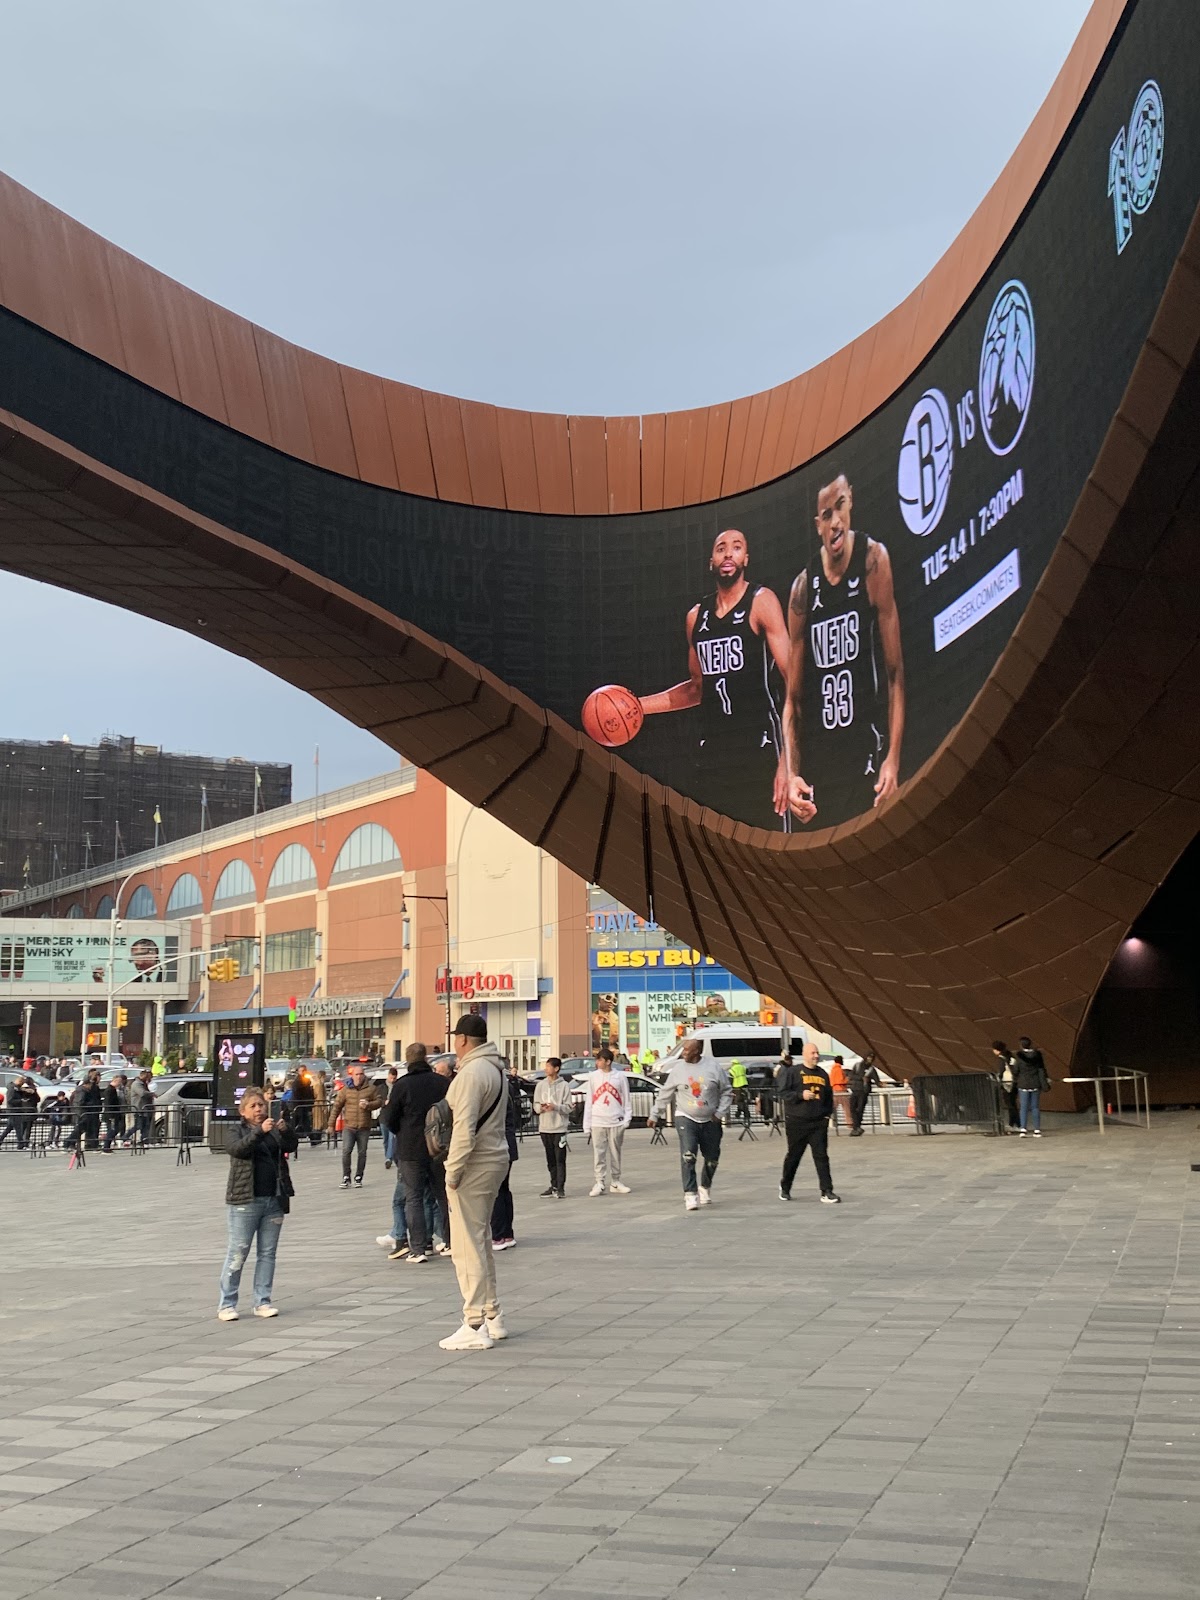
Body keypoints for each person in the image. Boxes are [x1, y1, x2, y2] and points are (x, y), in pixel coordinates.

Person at [633, 527, 792, 829]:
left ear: (746, 558)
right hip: (714, 755)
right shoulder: (697, 616)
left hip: (759, 748)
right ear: (711, 561)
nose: (728, 553)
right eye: (721, 548)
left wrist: (788, 761)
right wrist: (637, 706)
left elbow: (794, 681)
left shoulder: (761, 601)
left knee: (770, 851)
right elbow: (696, 689)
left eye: (736, 547)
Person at [784, 473, 906, 826]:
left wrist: (893, 759)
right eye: (826, 514)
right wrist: (793, 775)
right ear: (817, 524)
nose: (835, 522)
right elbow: (792, 700)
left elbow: (895, 674)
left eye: (840, 507)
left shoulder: (873, 561)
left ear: (851, 502)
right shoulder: (803, 589)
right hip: (822, 769)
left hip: (869, 753)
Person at [439, 1014, 510, 1352]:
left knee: (467, 1244)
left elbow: (463, 1130)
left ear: (464, 1040)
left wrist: (452, 1173)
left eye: (456, 1039)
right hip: (496, 1157)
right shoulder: (496, 1068)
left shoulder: (470, 1073)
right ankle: (492, 1315)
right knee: (481, 1240)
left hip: (475, 1163)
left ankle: (473, 1323)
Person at [217, 1087, 299, 1321]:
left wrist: (286, 1132)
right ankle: (227, 1303)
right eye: (253, 1106)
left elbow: (291, 1147)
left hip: (273, 1198)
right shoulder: (237, 1130)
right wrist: (259, 1133)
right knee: (238, 1252)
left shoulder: (272, 1130)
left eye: (261, 1105)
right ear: (243, 1112)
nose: (259, 1109)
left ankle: (262, 1301)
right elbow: (238, 1149)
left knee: (267, 1253)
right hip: (245, 1200)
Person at [380, 1043, 450, 1264]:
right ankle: (451, 1242)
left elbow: (389, 1117)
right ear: (426, 1059)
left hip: (411, 1148)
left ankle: (419, 1247)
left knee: (414, 1198)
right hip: (438, 1148)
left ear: (408, 1060)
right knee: (443, 1195)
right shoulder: (442, 1082)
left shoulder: (403, 1085)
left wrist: (401, 1131)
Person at [647, 1039, 732, 1211]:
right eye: (684, 1050)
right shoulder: (678, 1069)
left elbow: (727, 1091)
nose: (684, 1053)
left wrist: (720, 1113)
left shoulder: (713, 1067)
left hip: (710, 1119)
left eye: (687, 1050)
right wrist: (655, 1114)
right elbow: (666, 1093)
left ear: (698, 1051)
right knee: (688, 1153)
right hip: (686, 1116)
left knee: (712, 1158)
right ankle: (690, 1193)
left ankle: (705, 1186)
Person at [777, 1042, 841, 1203]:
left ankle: (827, 1191)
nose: (816, 1056)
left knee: (821, 1157)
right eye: (813, 1053)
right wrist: (800, 1095)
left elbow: (828, 1097)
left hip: (818, 1123)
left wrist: (826, 1116)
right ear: (805, 1054)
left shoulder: (823, 1074)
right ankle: (785, 1187)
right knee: (794, 1156)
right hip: (797, 1122)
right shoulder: (793, 1072)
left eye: (817, 1053)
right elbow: (783, 1093)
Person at [582, 1049, 632, 1196]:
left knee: (616, 1153)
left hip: (616, 1121)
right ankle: (599, 1181)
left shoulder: (620, 1077)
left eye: (600, 1060)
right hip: (598, 1121)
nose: (597, 1063)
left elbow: (626, 1099)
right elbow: (589, 1099)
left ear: (608, 1061)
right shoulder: (593, 1077)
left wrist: (627, 1119)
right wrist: (587, 1123)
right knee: (599, 1153)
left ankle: (616, 1181)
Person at [328, 1058, 382, 1187]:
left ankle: (359, 1176)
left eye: (361, 1074)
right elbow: (336, 1107)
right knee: (346, 1151)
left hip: (364, 1126)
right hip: (349, 1126)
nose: (359, 1077)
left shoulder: (371, 1089)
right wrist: (330, 1125)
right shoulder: (346, 1090)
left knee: (362, 1152)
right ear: (352, 1076)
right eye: (356, 1074)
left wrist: (368, 1105)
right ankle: (346, 1176)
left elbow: (379, 1101)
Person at [490, 1076, 520, 1252]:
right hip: (508, 1145)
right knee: (504, 1190)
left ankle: (498, 1234)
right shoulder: (506, 1090)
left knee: (497, 1191)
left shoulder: (498, 1092)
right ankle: (507, 1233)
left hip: (499, 1145)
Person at [536, 1057, 570, 1197]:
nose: (546, 1069)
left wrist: (556, 1107)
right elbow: (536, 1105)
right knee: (550, 1159)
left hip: (559, 1128)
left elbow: (568, 1107)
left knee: (560, 1158)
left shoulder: (564, 1086)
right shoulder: (540, 1085)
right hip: (545, 1127)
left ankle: (560, 1187)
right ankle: (553, 1184)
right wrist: (541, 1108)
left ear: (556, 1069)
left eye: (549, 1066)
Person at [1012, 1037, 1050, 1137]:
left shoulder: (1019, 1056)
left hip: (1023, 1084)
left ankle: (1023, 1129)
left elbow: (1015, 1071)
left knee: (1023, 1108)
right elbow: (1042, 1070)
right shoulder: (1037, 1055)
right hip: (1035, 1084)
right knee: (1035, 1107)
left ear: (1021, 1045)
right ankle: (1037, 1130)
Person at [846, 1052, 881, 1135]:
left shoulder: (871, 1069)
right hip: (855, 1090)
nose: (870, 1060)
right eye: (868, 1057)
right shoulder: (857, 1065)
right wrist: (862, 1078)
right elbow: (851, 1075)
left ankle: (856, 1128)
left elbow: (877, 1081)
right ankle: (856, 1127)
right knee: (852, 1109)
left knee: (860, 1110)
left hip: (864, 1092)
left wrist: (881, 1084)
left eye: (871, 1058)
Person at [0, 1076, 39, 1150]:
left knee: (9, 1128)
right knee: (18, 1129)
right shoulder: (12, 1089)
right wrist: (21, 1100)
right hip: (13, 1111)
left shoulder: (16, 1088)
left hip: (16, 1111)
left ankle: (19, 1144)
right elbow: (10, 1100)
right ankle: (20, 1145)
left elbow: (21, 1091)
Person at [71, 1068, 103, 1150]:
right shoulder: (87, 1088)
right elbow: (83, 1100)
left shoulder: (94, 1087)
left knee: (92, 1128)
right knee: (82, 1128)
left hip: (93, 1110)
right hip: (87, 1111)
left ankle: (91, 1143)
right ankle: (70, 1142)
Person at [991, 1042, 1019, 1131]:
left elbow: (1001, 1070)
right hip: (1014, 1081)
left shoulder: (1002, 1058)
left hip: (1007, 1083)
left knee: (1009, 1104)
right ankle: (1015, 1123)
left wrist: (998, 1079)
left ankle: (1016, 1123)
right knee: (1013, 1103)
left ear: (997, 1050)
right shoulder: (1011, 1056)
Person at [101, 1073, 129, 1151]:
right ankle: (106, 1146)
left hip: (114, 1113)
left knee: (115, 1129)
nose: (120, 1084)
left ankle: (107, 1146)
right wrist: (112, 1114)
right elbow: (109, 1103)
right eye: (119, 1082)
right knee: (113, 1130)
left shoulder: (112, 1089)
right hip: (111, 1114)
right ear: (116, 1081)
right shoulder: (110, 1090)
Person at [131, 1069, 156, 1146]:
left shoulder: (144, 1084)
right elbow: (142, 1093)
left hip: (145, 1107)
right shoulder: (137, 1084)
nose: (148, 1079)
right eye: (147, 1077)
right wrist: (151, 1094)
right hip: (139, 1107)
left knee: (145, 1125)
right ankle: (126, 1137)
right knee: (139, 1125)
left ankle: (144, 1140)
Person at [381, 1066, 399, 1168]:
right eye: (391, 1078)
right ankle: (387, 1156)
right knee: (386, 1139)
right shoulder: (382, 1087)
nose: (392, 1080)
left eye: (394, 1078)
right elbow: (378, 1099)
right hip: (384, 1116)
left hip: (393, 1116)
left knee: (392, 1138)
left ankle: (389, 1157)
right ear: (388, 1076)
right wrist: (384, 1102)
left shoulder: (398, 1086)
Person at [729, 1056, 750, 1128]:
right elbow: (748, 1072)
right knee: (744, 1100)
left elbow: (731, 1077)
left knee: (738, 1100)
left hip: (737, 1085)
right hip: (744, 1084)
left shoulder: (732, 1069)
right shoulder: (743, 1067)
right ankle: (744, 1113)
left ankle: (739, 1113)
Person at [828, 1055, 849, 1129]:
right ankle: (849, 1123)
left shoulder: (832, 1070)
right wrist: (847, 1079)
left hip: (834, 1090)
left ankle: (829, 1122)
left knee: (833, 1108)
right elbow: (840, 1080)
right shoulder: (839, 1070)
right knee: (847, 1108)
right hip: (841, 1090)